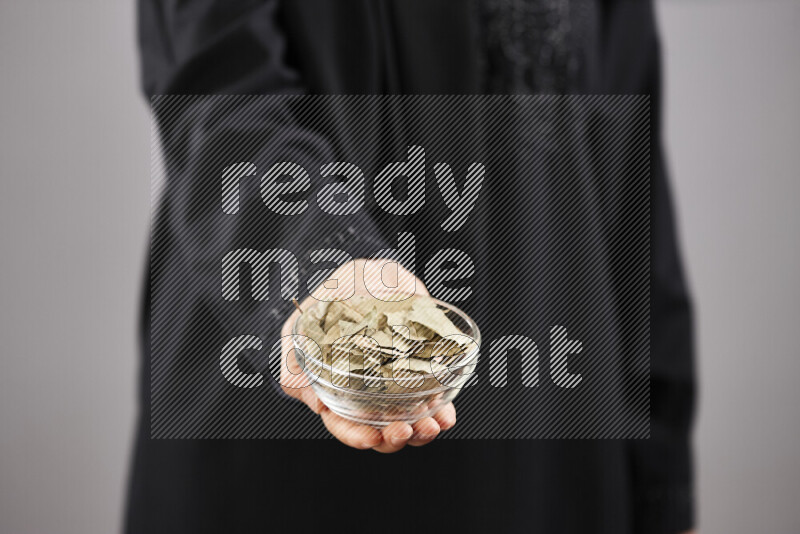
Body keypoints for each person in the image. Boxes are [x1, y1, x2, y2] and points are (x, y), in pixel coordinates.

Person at [127, 1, 696, 533]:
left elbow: (628, 172)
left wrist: (660, 476)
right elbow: (219, 85)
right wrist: (336, 279)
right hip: (278, 421)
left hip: (550, 441)